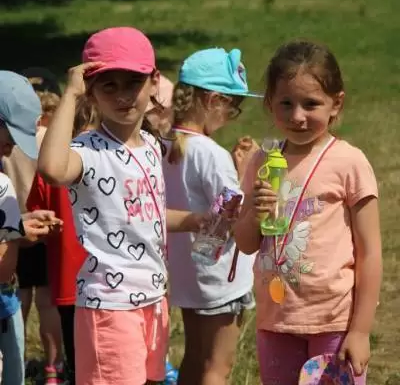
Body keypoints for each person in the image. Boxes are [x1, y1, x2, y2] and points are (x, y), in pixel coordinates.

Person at [38, 26, 207, 385]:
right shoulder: (88, 149)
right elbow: (52, 169)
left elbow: (147, 216)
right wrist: (70, 94)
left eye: (133, 83)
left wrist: (199, 219)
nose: (123, 95)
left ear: (154, 82)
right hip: (110, 305)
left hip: (152, 299)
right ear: (91, 92)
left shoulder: (149, 145)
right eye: (108, 86)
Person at [234, 40, 382, 385]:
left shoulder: (349, 162)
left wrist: (360, 332)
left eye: (311, 104)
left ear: (336, 104)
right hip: (276, 321)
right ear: (269, 103)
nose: (297, 116)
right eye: (286, 103)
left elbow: (371, 252)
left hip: (335, 321)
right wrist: (254, 213)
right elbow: (245, 243)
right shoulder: (262, 161)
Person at [162, 48, 257, 385]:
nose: (233, 115)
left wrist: (234, 172)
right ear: (213, 100)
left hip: (187, 275)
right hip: (219, 279)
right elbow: (226, 220)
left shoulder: (166, 144)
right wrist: (247, 178)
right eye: (233, 106)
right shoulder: (211, 154)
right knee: (218, 367)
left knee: (194, 357)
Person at [26, 97, 96, 385]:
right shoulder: (110, 159)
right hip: (107, 277)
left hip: (68, 273)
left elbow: (36, 210)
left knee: (75, 345)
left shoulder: (57, 164)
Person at [0, 70, 62, 385]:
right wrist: (13, 233)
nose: (10, 149)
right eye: (8, 139)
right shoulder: (2, 186)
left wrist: (17, 225)